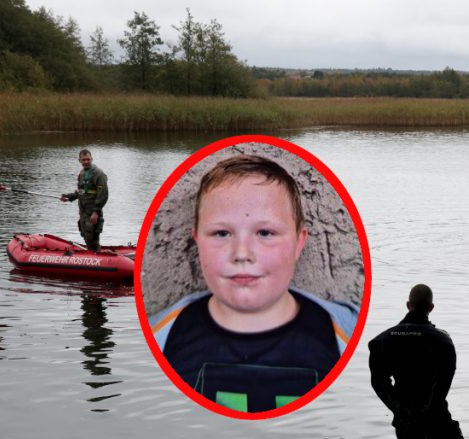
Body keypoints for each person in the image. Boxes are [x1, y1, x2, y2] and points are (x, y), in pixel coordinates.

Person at [148, 154, 358, 413]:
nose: (242, 253)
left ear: (299, 242)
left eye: (265, 233)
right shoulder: (158, 339)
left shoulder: (347, 336)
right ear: (197, 241)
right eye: (221, 233)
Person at [368, 284, 465, 439]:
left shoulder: (383, 340)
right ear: (431, 307)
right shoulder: (443, 341)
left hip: (404, 413)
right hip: (435, 413)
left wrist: (399, 409)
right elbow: (444, 383)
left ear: (408, 305)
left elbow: (379, 382)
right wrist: (427, 409)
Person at [60, 149, 108, 252]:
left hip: (92, 211)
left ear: (92, 159)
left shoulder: (98, 174)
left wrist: (96, 212)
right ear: (79, 161)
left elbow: (103, 194)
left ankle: (97, 258)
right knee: (85, 235)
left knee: (92, 237)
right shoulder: (82, 173)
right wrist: (69, 197)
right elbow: (81, 191)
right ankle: (92, 254)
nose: (86, 162)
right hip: (83, 211)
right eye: (83, 160)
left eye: (88, 159)